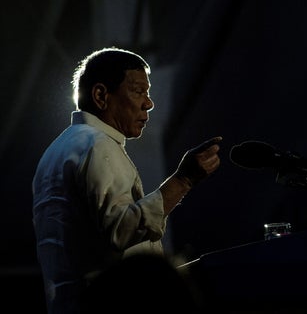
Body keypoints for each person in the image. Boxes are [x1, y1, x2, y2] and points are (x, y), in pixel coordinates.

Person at [32, 46, 222, 314]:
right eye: (138, 91)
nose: (149, 103)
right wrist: (184, 180)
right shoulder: (97, 146)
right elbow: (121, 230)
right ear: (101, 95)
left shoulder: (58, 150)